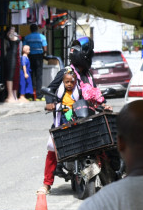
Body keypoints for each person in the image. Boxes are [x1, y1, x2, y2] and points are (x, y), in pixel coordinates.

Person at [37, 37, 109, 195]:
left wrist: (104, 104)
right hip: (66, 117)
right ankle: (47, 184)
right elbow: (50, 89)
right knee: (53, 148)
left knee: (104, 143)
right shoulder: (66, 72)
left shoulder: (88, 75)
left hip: (86, 116)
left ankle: (109, 178)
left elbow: (95, 94)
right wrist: (51, 103)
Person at [22, 23, 48, 100]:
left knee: (31, 75)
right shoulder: (42, 37)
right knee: (39, 76)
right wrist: (42, 54)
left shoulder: (27, 37)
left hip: (30, 57)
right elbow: (45, 48)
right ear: (37, 29)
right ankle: (38, 95)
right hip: (39, 57)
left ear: (30, 30)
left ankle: (30, 95)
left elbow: (24, 48)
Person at [2, 27, 20, 103]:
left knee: (13, 76)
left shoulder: (14, 36)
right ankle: (10, 95)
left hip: (15, 56)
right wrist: (11, 33)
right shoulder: (9, 36)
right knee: (10, 76)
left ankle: (13, 95)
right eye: (11, 29)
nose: (13, 30)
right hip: (10, 56)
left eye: (14, 29)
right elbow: (11, 37)